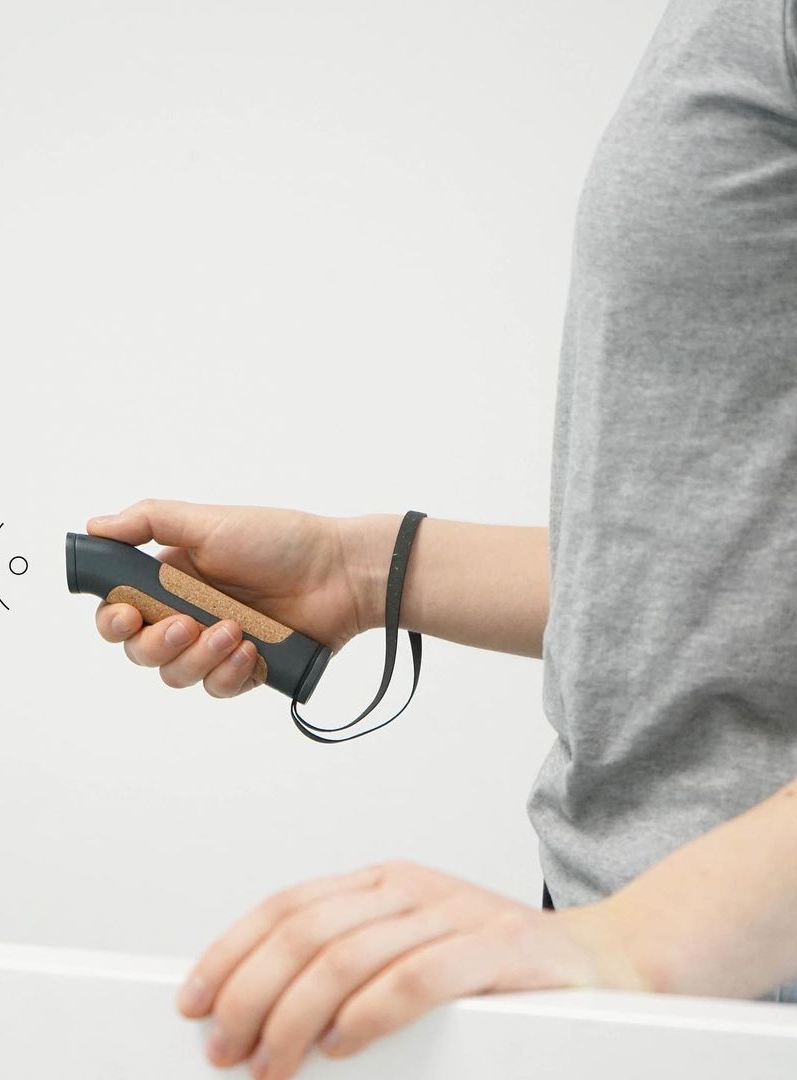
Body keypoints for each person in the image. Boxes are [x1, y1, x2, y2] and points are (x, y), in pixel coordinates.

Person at [87, 1, 797, 1076]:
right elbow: (734, 574)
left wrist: (635, 949)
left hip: (711, 984)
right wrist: (362, 570)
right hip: (659, 983)